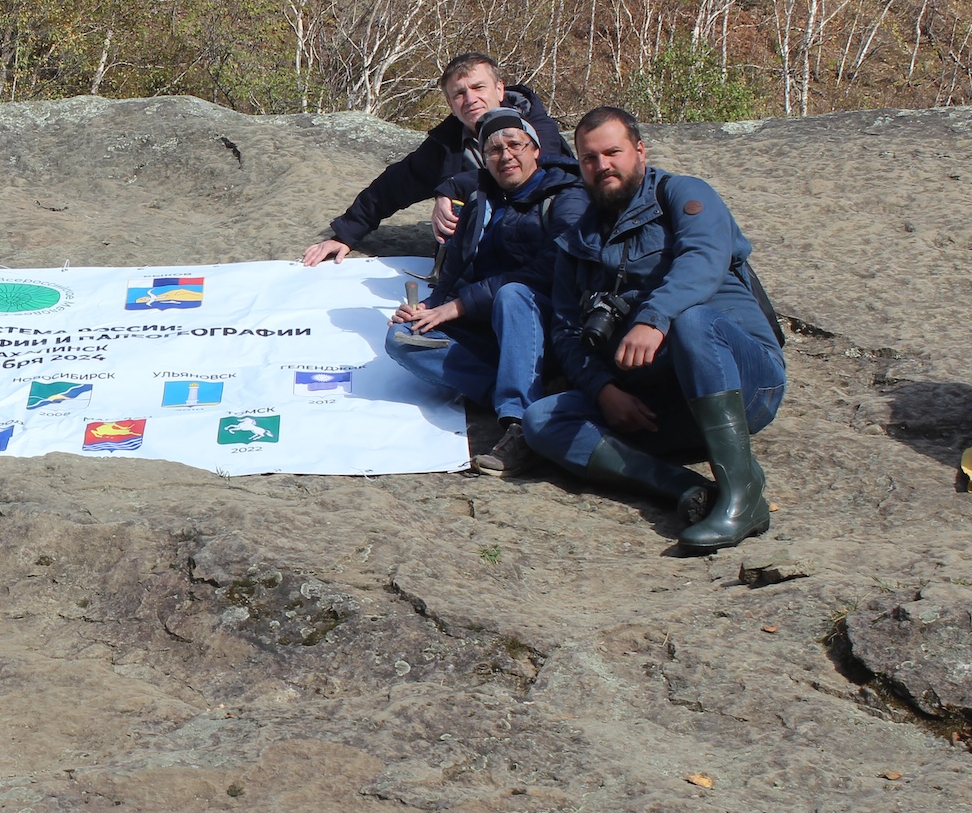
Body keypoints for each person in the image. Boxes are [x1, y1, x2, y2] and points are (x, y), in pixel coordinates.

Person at [521, 107, 785, 551]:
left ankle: (744, 497)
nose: (602, 165)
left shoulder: (684, 195)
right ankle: (684, 489)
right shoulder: (576, 241)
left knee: (695, 321)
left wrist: (652, 318)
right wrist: (604, 389)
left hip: (744, 388)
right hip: (658, 408)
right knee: (542, 418)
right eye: (589, 158)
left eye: (612, 152)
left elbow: (703, 258)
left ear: (639, 151)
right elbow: (566, 331)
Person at [383, 106, 588, 478]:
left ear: (536, 149)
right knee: (401, 338)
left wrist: (457, 307)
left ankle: (521, 425)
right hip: (485, 325)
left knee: (513, 294)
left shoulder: (565, 196)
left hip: (545, 323)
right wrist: (430, 307)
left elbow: (552, 268)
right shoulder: (480, 199)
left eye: (515, 145)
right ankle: (524, 388)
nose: (506, 155)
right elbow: (457, 269)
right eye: (494, 150)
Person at [302, 52, 576, 264]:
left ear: (500, 89)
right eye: (459, 93)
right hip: (476, 257)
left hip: (542, 249)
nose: (470, 99)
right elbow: (393, 186)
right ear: (450, 104)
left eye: (478, 87)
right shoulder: (447, 143)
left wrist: (453, 187)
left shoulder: (537, 128)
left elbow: (541, 175)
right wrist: (346, 234)